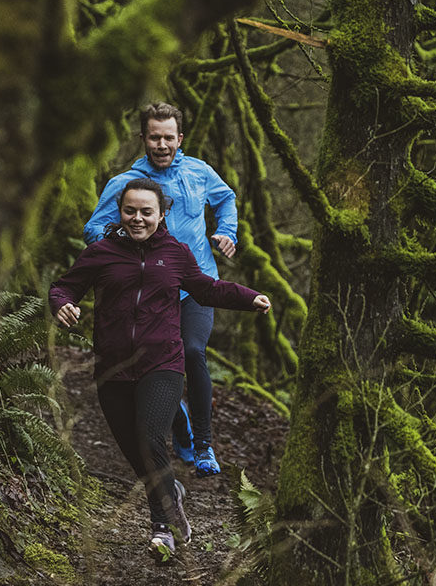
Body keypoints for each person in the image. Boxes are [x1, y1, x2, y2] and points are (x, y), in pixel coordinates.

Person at [50, 178, 271, 561]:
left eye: (146, 212)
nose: (137, 219)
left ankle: (161, 528)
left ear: (162, 214)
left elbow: (206, 289)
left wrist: (249, 297)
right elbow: (64, 287)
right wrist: (62, 304)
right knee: (136, 451)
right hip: (112, 367)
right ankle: (171, 491)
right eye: (130, 211)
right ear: (120, 212)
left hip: (163, 364)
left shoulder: (175, 253)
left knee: (150, 436)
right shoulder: (101, 253)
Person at [83, 102, 237, 477]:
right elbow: (93, 230)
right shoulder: (126, 184)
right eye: (155, 137)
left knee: (193, 351)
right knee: (154, 367)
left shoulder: (199, 172)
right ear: (144, 138)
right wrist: (124, 238)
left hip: (195, 284)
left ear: (180, 138)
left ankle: (203, 445)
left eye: (169, 137)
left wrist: (227, 232)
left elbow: (226, 198)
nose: (162, 144)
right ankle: (180, 425)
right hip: (149, 291)